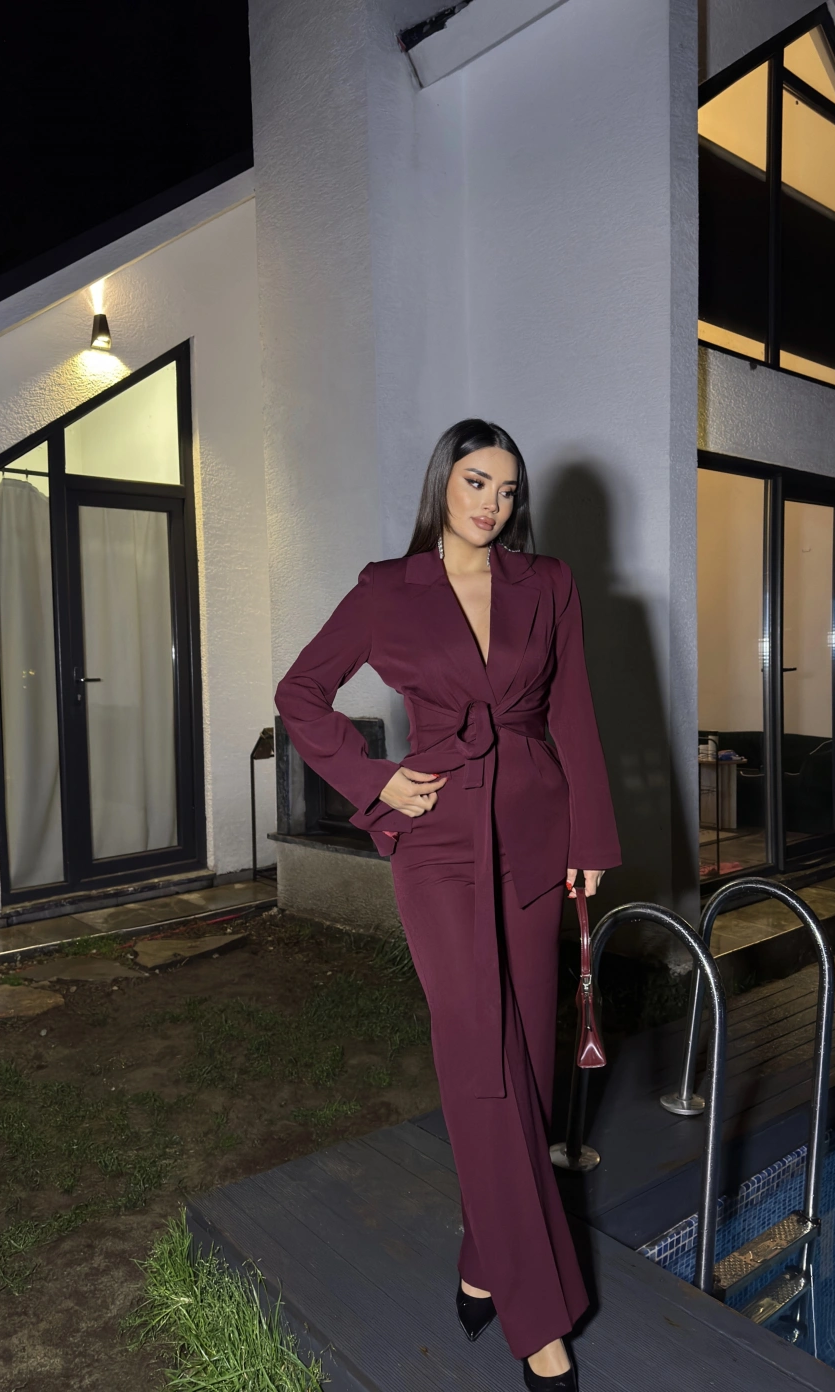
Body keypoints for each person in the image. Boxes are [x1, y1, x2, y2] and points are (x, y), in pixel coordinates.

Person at [275, 419, 621, 1390]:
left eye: (508, 490)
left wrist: (591, 840)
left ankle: (481, 1259)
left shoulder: (546, 583)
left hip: (536, 833)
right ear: (443, 482)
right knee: (479, 1059)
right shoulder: (387, 589)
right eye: (476, 482)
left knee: (532, 1063)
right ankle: (537, 1317)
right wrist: (373, 777)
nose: (491, 504)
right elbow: (301, 693)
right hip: (436, 844)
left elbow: (573, 710)